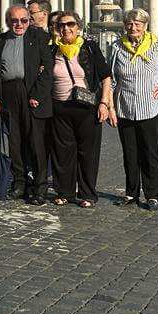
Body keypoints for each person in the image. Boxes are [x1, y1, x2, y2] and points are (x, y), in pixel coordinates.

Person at [107, 8, 158, 211]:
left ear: (145, 26)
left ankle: (152, 195)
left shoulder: (156, 44)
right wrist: (110, 106)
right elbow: (111, 79)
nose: (133, 27)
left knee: (149, 153)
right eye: (129, 23)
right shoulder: (117, 46)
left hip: (150, 107)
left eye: (138, 24)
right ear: (125, 25)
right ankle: (131, 193)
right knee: (129, 153)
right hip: (125, 107)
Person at [0, 5, 53, 204]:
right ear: (8, 21)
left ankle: (40, 187)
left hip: (30, 93)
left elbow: (47, 69)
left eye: (24, 20)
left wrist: (38, 95)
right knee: (14, 142)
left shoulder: (39, 38)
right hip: (7, 94)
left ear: (29, 21)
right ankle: (19, 183)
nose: (19, 24)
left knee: (36, 142)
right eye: (14, 20)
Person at [49, 11, 112, 208]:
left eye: (70, 24)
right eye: (61, 25)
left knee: (87, 153)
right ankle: (64, 192)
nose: (66, 28)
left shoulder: (90, 48)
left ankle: (87, 193)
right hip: (60, 107)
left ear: (78, 27)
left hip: (87, 107)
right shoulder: (52, 50)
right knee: (62, 153)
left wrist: (104, 103)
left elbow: (105, 76)